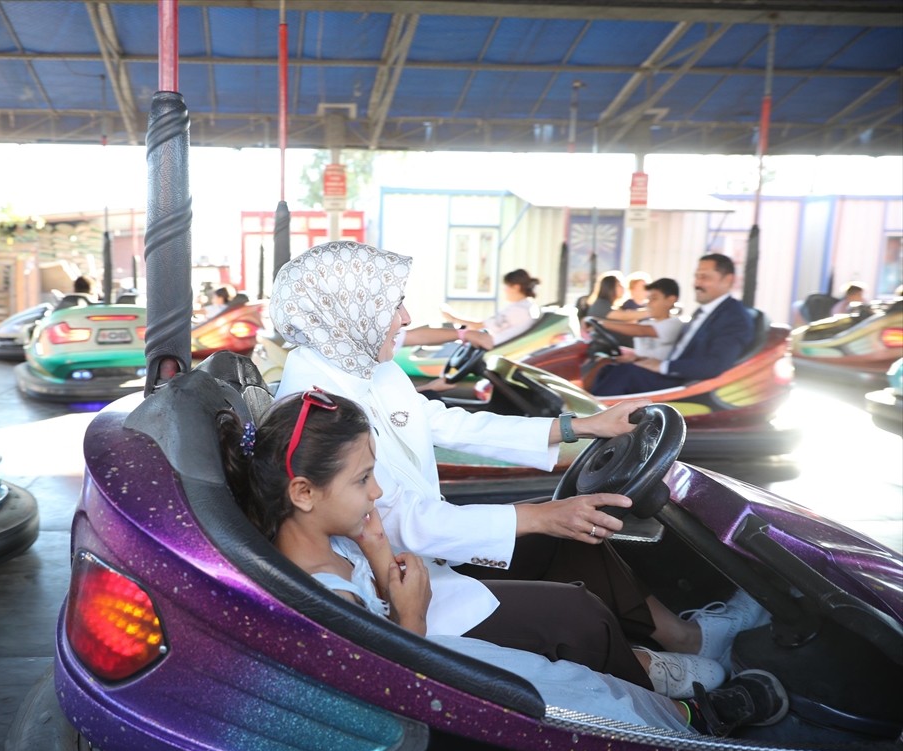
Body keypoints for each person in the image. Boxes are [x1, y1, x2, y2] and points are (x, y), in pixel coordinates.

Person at [269, 241, 770, 684]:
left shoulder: (359, 366)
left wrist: (581, 426)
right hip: (398, 581)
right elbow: (398, 521)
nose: (404, 318)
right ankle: (657, 688)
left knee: (575, 534)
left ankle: (686, 638)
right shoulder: (316, 403)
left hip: (423, 550)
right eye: (392, 304)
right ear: (349, 311)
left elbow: (445, 423)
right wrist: (542, 515)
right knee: (576, 612)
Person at [216, 389, 788, 732]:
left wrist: (376, 557)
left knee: (589, 683)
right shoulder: (327, 590)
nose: (376, 495)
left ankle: (676, 683)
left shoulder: (331, 541)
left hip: (437, 639)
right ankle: (696, 724)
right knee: (584, 692)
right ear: (304, 493)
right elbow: (388, 686)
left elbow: (443, 425)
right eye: (366, 480)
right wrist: (409, 614)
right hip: (446, 671)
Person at [590, 254, 754, 396]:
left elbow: (714, 364)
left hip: (685, 385)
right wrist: (643, 359)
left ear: (727, 280)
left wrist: (663, 366)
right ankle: (585, 421)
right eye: (696, 276)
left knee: (624, 374)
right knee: (609, 369)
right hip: (673, 374)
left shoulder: (734, 317)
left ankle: (592, 423)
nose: (697, 283)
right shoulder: (704, 312)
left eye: (705, 277)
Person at [587, 278, 682, 364]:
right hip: (639, 366)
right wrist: (632, 358)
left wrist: (601, 323)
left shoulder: (674, 324)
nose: (649, 304)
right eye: (648, 299)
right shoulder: (646, 323)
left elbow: (641, 330)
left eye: (654, 299)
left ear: (670, 300)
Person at [440, 269, 541, 347]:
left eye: (506, 286)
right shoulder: (527, 306)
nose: (504, 290)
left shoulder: (519, 310)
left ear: (516, 287)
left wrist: (452, 318)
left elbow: (480, 325)